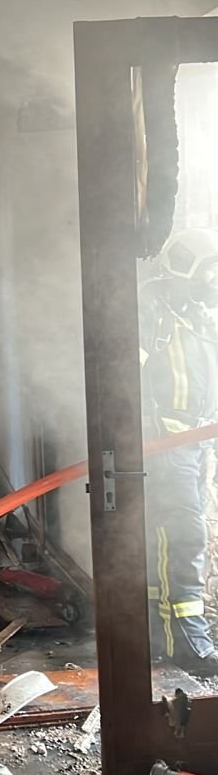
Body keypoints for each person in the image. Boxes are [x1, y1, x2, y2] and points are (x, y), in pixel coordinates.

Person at [140, 228, 218, 676]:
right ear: (186, 268)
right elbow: (122, 378)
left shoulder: (195, 314)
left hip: (194, 442)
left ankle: (156, 630)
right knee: (183, 534)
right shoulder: (152, 311)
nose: (212, 283)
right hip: (165, 445)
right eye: (208, 273)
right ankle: (189, 642)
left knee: (164, 540)